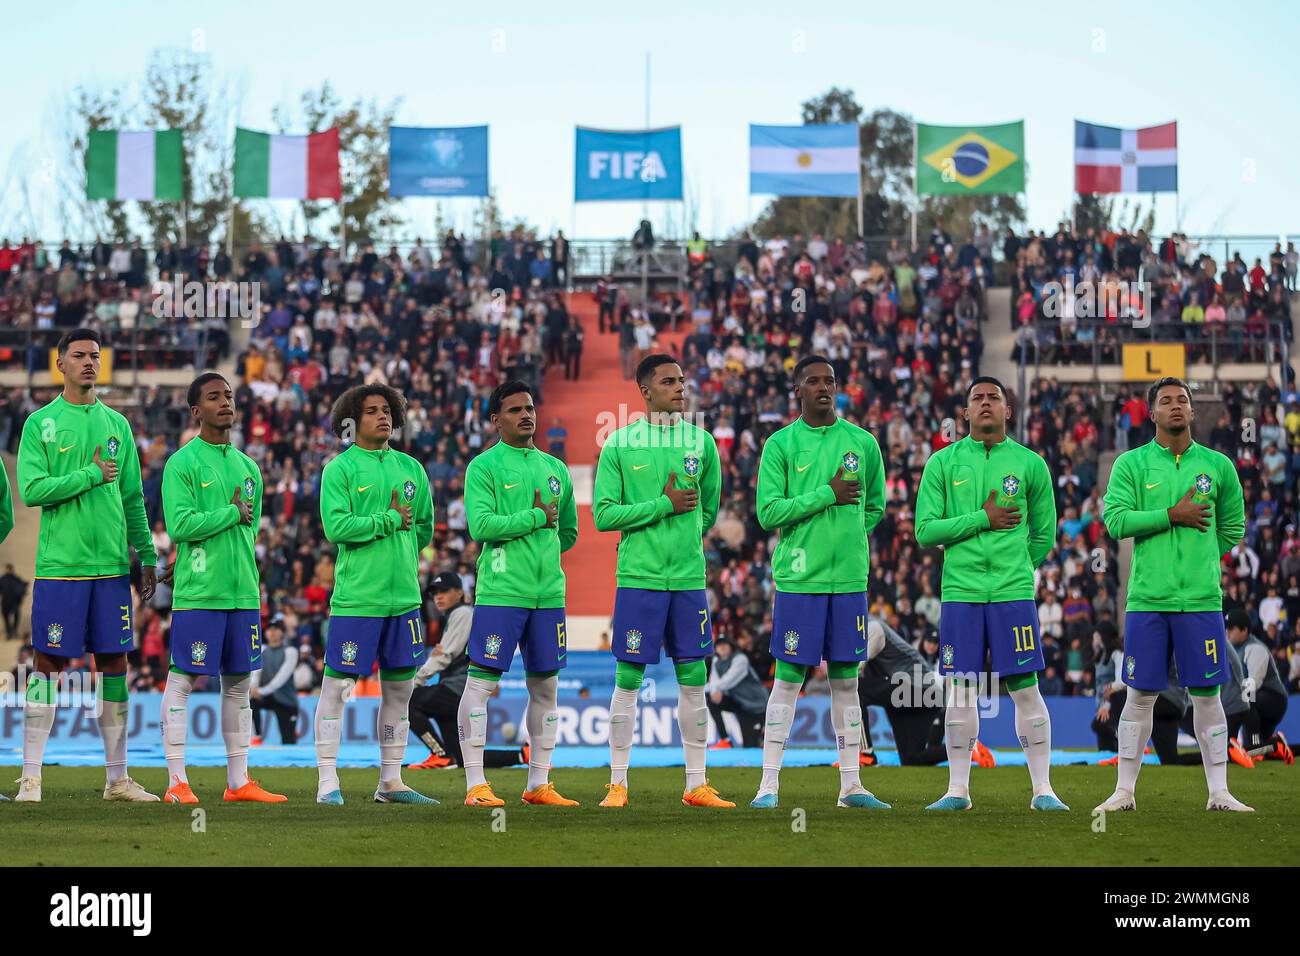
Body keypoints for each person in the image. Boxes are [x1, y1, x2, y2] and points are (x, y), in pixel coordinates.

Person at [13, 328, 159, 803]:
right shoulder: (41, 424)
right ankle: (31, 776)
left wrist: (148, 554)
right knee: (48, 664)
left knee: (114, 664)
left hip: (112, 569)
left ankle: (117, 779)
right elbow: (32, 490)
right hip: (62, 566)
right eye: (79, 355)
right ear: (61, 364)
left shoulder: (117, 424)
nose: (89, 362)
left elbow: (134, 498)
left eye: (95, 356)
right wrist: (91, 474)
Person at [1096, 376, 1252, 813]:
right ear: (1153, 413)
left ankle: (1219, 792)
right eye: (1166, 400)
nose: (1176, 405)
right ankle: (1124, 791)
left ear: (1193, 409)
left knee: (1207, 696)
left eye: (1183, 399)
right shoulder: (1131, 464)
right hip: (1148, 599)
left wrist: (1201, 555)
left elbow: (1233, 527)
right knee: (1139, 695)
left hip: (1201, 601)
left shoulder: (1219, 466)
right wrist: (1172, 515)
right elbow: (1117, 521)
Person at [915, 376, 1066, 811]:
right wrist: (982, 519)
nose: (985, 403)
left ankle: (1043, 791)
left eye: (993, 398)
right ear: (963, 413)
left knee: (1024, 686)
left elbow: (1045, 533)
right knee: (962, 689)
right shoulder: (942, 464)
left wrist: (1016, 564)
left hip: (1011, 592)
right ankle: (957, 791)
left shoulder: (1030, 464)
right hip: (961, 592)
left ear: (1008, 410)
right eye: (977, 398)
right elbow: (926, 531)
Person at [750, 355, 891, 810]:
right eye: (813, 381)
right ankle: (768, 783)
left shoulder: (863, 442)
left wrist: (845, 541)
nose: (823, 387)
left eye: (830, 380)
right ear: (797, 390)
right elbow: (768, 512)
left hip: (848, 581)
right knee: (787, 681)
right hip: (800, 580)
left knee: (846, 683)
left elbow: (875, 509)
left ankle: (851, 785)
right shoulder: (780, 445)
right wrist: (827, 494)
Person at [593, 353, 733, 808]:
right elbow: (604, 515)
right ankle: (617, 783)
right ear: (645, 391)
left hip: (689, 578)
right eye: (669, 381)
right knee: (628, 679)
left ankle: (696, 784)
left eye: (682, 380)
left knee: (694, 680)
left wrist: (686, 528)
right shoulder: (619, 444)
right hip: (640, 577)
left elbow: (708, 509)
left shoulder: (702, 442)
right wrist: (663, 507)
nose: (680, 387)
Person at [159, 372, 286, 804]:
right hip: (201, 593)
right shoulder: (182, 463)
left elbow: (248, 537)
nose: (225, 402)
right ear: (196, 411)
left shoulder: (248, 467)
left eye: (229, 396)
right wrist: (230, 513)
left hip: (243, 594)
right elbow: (179, 526)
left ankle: (238, 783)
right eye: (214, 397)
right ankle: (177, 781)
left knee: (237, 685)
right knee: (184, 680)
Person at [455, 381, 580, 807]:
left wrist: (539, 555)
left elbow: (568, 532)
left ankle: (537, 784)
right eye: (514, 410)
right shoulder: (483, 467)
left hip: (548, 595)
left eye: (529, 408)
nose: (526, 415)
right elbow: (482, 526)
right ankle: (475, 784)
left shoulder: (556, 468)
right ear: (495, 420)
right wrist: (531, 519)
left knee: (546, 689)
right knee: (481, 685)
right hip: (502, 593)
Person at [314, 384, 437, 806]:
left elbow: (423, 529)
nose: (383, 417)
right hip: (357, 600)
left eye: (387, 410)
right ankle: (327, 781)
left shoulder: (412, 469)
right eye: (371, 411)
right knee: (338, 688)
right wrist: (386, 521)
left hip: (404, 600)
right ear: (352, 420)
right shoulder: (340, 470)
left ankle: (390, 782)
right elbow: (336, 528)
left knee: (400, 692)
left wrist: (397, 554)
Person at [409, 572, 528, 771]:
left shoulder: (461, 614)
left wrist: (413, 683)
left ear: (459, 593)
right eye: (435, 593)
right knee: (464, 758)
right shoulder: (456, 615)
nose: (438, 596)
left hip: (457, 688)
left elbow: (444, 655)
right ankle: (522, 755)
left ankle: (440, 755)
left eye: (444, 591)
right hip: (459, 689)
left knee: (405, 701)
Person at [859, 619, 952, 767]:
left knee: (855, 690)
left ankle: (866, 753)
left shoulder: (874, 629)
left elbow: (854, 672)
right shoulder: (876, 634)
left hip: (918, 689)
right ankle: (967, 750)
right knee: (912, 759)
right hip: (922, 696)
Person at [1227, 608, 1292, 763]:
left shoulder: (1255, 648)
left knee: (1245, 700)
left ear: (1244, 630)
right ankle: (1276, 746)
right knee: (1263, 748)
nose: (1227, 632)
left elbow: (1253, 683)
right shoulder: (1232, 648)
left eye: (1231, 628)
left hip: (1273, 699)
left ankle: (1247, 747)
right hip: (1259, 701)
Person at [704, 637, 766, 748]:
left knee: (750, 747)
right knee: (710, 698)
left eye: (725, 644)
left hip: (755, 705)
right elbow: (714, 680)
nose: (721, 647)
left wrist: (716, 689)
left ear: (731, 646)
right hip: (740, 703)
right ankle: (725, 740)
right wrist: (714, 690)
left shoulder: (740, 659)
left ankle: (762, 736)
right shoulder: (716, 661)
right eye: (719, 645)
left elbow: (730, 679)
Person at [251, 614, 300, 746]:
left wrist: (261, 691)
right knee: (251, 702)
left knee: (288, 742)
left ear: (282, 633)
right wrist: (254, 688)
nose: (272, 632)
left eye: (276, 629)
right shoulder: (262, 650)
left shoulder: (290, 651)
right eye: (270, 629)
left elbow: (282, 678)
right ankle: (257, 736)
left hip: (286, 700)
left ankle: (292, 735)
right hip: (267, 697)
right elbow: (256, 673)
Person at [1, 563, 27, 640]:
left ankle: (14, 630)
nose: (9, 570)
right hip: (5, 601)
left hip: (15, 602)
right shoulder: (2, 579)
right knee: (5, 616)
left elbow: (23, 587)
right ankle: (9, 632)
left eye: (10, 569)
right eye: (8, 569)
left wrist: (24, 586)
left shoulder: (16, 579)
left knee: (16, 615)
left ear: (12, 569)